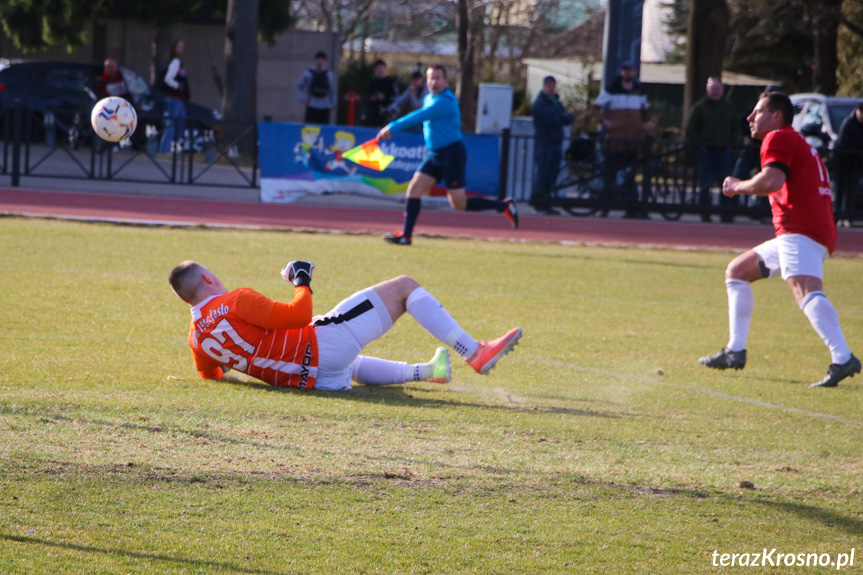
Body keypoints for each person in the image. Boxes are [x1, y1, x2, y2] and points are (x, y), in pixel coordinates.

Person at [699, 91, 860, 388]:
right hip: (809, 229)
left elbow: (772, 181)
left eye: (757, 111)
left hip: (799, 229)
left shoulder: (778, 137)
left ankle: (842, 357)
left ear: (776, 116)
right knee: (737, 272)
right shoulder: (796, 141)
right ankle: (735, 350)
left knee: (805, 291)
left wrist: (738, 186)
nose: (750, 117)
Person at [168, 260, 522, 391]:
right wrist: (301, 279)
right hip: (320, 346)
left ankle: (427, 371)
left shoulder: (195, 337)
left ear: (186, 300)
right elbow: (298, 315)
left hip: (309, 379)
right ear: (210, 279)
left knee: (346, 361)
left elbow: (210, 375)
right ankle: (474, 352)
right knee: (404, 287)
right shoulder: (235, 300)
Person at [375, 65, 519, 246]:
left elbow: (419, 116)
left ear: (446, 81)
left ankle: (504, 205)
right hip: (435, 155)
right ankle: (406, 236)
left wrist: (392, 128)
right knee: (414, 189)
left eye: (437, 78)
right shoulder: (428, 98)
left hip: (452, 154)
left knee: (458, 203)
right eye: (430, 78)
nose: (433, 82)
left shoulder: (445, 102)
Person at [591, 61, 653, 218]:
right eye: (625, 70)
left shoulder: (640, 92)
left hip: (633, 140)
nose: (627, 73)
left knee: (630, 176)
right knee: (610, 175)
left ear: (634, 73)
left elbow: (647, 113)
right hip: (614, 141)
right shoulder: (611, 90)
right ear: (621, 72)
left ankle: (631, 208)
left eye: (630, 70)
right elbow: (595, 108)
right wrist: (605, 122)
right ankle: (605, 207)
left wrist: (648, 124)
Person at [685, 77, 739, 223]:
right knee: (704, 183)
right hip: (706, 151)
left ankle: (725, 213)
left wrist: (732, 145)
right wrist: (700, 144)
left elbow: (736, 128)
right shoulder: (699, 107)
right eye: (713, 89)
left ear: (722, 90)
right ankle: (705, 213)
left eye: (718, 89)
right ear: (708, 90)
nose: (715, 92)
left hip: (724, 151)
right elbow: (690, 129)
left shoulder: (729, 108)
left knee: (727, 183)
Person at [531, 75, 574, 215]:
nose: (551, 88)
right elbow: (554, 119)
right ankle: (539, 203)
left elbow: (568, 118)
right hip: (544, 143)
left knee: (552, 175)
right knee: (543, 174)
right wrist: (562, 117)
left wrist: (562, 117)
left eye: (553, 86)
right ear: (544, 86)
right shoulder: (540, 103)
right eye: (549, 85)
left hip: (555, 142)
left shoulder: (556, 102)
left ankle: (547, 202)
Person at [832, 102, 863, 222]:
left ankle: (848, 218)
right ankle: (837, 217)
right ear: (857, 111)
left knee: (851, 190)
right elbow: (843, 143)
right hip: (842, 163)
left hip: (855, 164)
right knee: (840, 189)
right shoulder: (849, 123)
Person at [159, 40, 189, 154]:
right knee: (171, 124)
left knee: (180, 123)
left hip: (179, 99)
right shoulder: (175, 62)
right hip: (173, 98)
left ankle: (175, 147)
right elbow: (168, 79)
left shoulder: (179, 62)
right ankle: (165, 150)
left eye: (183, 47)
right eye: (179, 47)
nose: (181, 49)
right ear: (174, 49)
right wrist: (178, 86)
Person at [295, 51, 336, 125]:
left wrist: (333, 103)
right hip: (311, 106)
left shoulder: (329, 74)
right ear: (315, 60)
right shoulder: (308, 73)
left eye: (322, 60)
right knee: (308, 131)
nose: (320, 62)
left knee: (324, 131)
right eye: (318, 60)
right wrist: (302, 99)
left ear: (325, 61)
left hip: (325, 108)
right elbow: (298, 87)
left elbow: (332, 90)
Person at [365, 59, 400, 127]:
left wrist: (385, 98)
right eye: (378, 68)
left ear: (385, 68)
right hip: (374, 113)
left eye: (381, 68)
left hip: (388, 112)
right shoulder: (373, 82)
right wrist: (373, 98)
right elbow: (367, 97)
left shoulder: (391, 82)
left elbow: (397, 98)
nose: (380, 70)